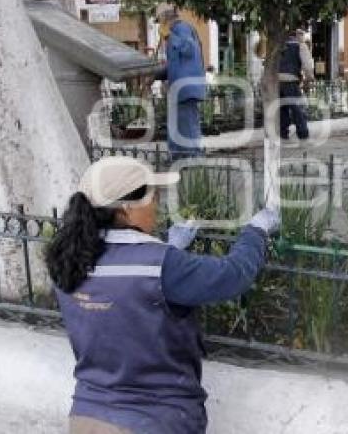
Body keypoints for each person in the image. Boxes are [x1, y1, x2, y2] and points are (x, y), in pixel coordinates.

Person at [45, 157, 279, 434]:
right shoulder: (161, 265)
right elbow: (232, 275)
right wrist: (256, 231)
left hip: (88, 417)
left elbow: (119, 292)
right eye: (153, 197)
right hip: (157, 419)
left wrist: (166, 247)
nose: (157, 205)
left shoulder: (68, 262)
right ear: (126, 209)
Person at [155, 7, 207, 159]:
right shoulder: (174, 35)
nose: (159, 26)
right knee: (175, 126)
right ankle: (177, 157)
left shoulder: (182, 28)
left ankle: (193, 158)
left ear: (166, 19)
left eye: (159, 21)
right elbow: (174, 65)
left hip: (186, 88)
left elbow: (189, 49)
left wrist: (171, 36)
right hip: (178, 89)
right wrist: (154, 75)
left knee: (187, 125)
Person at [278, 29, 315, 141]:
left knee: (281, 108)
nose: (303, 37)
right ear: (298, 35)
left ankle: (282, 133)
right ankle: (303, 133)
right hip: (291, 80)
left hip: (276, 81)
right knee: (297, 109)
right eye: (302, 35)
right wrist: (310, 78)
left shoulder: (279, 45)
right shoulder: (300, 46)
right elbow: (307, 65)